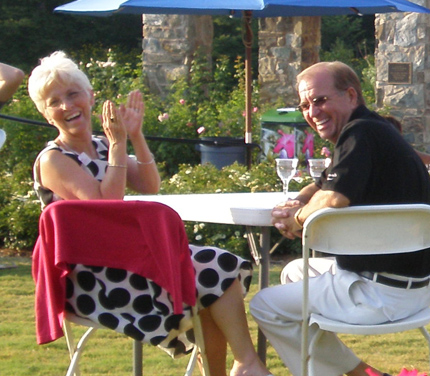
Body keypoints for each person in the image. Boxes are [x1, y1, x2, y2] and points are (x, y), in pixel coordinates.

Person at [27, 51, 270, 376]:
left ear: (90, 97)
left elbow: (149, 184)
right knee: (212, 272)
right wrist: (118, 144)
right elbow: (106, 207)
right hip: (89, 276)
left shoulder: (102, 145)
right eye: (55, 101)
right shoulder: (53, 159)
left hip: (126, 258)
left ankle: (242, 365)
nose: (67, 105)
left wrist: (136, 136)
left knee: (214, 271)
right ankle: (247, 364)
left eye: (73, 94)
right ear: (46, 114)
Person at [252, 61, 430, 376]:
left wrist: (295, 219)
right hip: (418, 290)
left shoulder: (360, 131)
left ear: (351, 95)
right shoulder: (371, 129)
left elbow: (334, 197)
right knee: (296, 272)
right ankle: (359, 373)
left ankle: (352, 373)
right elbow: (323, 184)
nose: (312, 112)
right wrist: (297, 200)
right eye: (305, 105)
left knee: (264, 305)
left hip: (379, 293)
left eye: (320, 100)